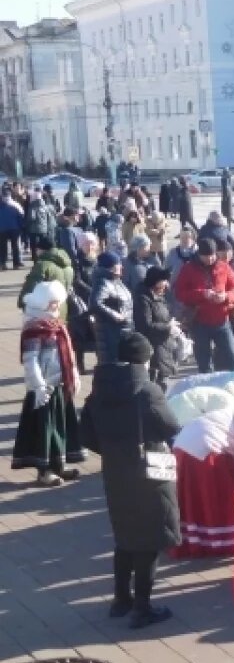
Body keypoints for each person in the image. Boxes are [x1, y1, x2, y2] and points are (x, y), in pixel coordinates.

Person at [79, 332, 180, 627]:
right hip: (150, 470)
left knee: (124, 536)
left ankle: (121, 600)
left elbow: (85, 434)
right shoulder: (147, 390)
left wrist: (114, 451)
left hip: (115, 471)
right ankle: (142, 608)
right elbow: (170, 425)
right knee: (150, 538)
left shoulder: (99, 390)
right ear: (144, 359)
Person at [13, 281, 85, 486]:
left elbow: (69, 354)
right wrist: (38, 385)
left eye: (57, 302)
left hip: (61, 384)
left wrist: (74, 375)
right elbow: (30, 360)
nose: (56, 306)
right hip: (45, 387)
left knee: (61, 427)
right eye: (52, 303)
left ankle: (59, 465)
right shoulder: (34, 327)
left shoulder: (58, 324)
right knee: (45, 430)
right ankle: (44, 471)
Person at [174, 238, 234, 373]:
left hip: (222, 321)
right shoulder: (188, 268)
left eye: (212, 256)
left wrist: (226, 296)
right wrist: (202, 294)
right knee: (204, 363)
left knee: (232, 359)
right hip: (199, 322)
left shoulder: (224, 266)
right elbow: (179, 293)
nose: (210, 259)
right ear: (199, 254)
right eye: (206, 256)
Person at [133, 267, 180, 389]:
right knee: (157, 386)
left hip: (164, 346)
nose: (166, 284)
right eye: (163, 280)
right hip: (154, 348)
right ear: (155, 281)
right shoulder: (143, 299)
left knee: (164, 384)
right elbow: (144, 325)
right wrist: (168, 328)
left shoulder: (159, 295)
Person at [90, 250, 133, 363]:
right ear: (112, 266)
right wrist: (114, 315)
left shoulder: (116, 280)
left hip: (123, 331)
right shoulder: (103, 283)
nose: (122, 266)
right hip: (111, 333)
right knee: (113, 365)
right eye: (119, 264)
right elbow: (95, 303)